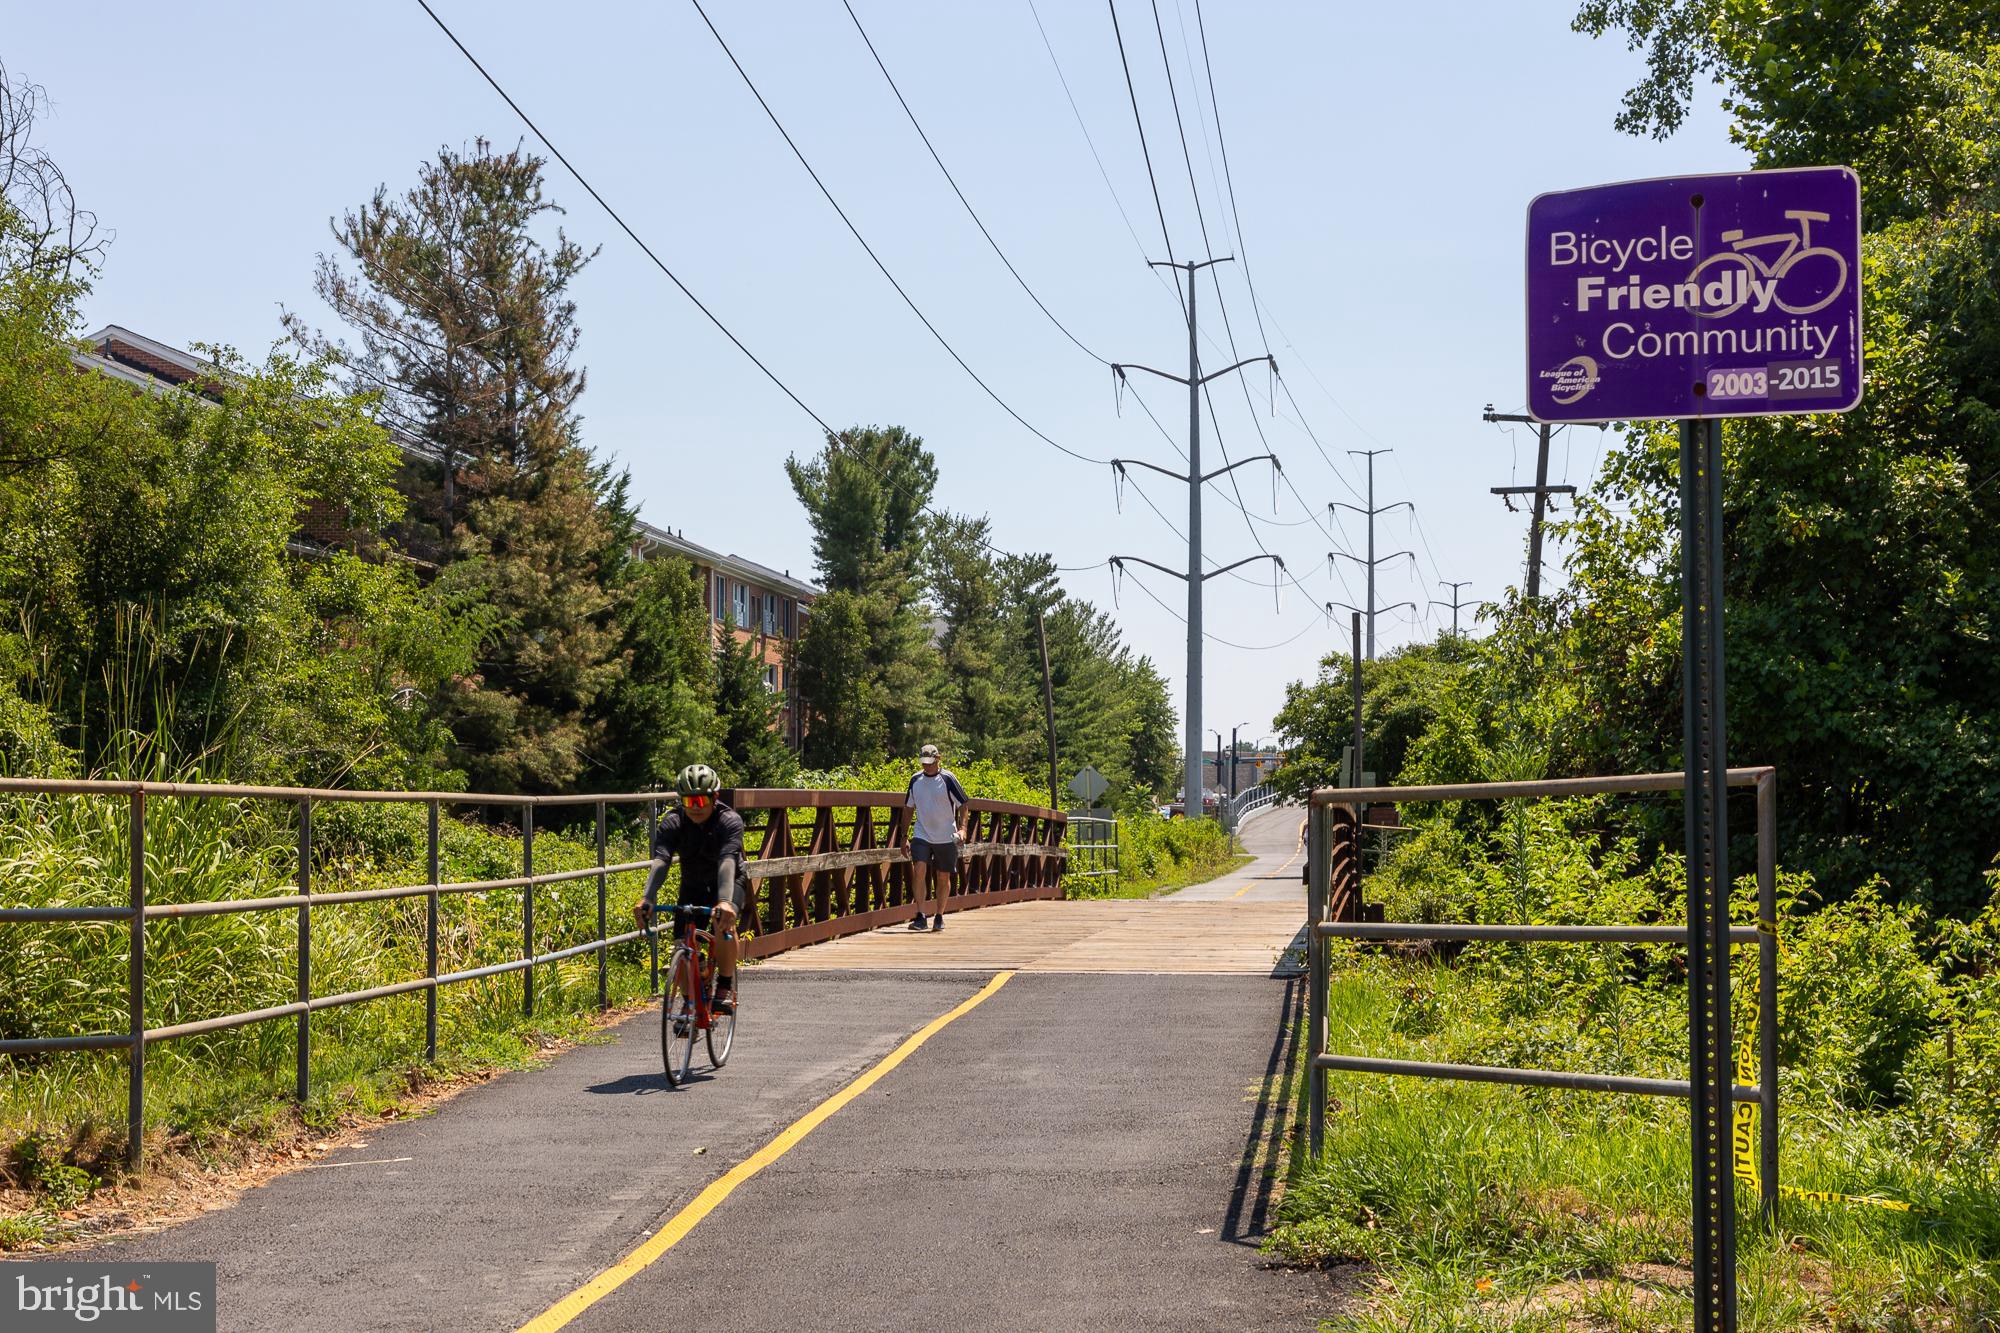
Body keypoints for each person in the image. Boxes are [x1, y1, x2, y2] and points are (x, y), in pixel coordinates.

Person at [633, 763, 744, 1014]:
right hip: (693, 882)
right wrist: (647, 897)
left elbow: (727, 861)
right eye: (688, 801)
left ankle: (725, 985)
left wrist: (725, 901)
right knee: (680, 944)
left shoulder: (729, 821)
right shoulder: (673, 822)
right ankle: (690, 1003)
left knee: (723, 923)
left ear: (714, 798)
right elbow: (661, 860)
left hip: (728, 880)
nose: (694, 807)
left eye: (700, 800)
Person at [905, 742, 969, 932]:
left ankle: (939, 916)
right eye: (924, 762)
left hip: (945, 836)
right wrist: (903, 836)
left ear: (938, 759)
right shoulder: (915, 780)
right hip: (921, 833)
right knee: (919, 869)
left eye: (930, 761)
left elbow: (964, 804)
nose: (927, 765)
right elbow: (908, 808)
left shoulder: (948, 779)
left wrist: (963, 828)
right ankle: (920, 915)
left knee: (942, 876)